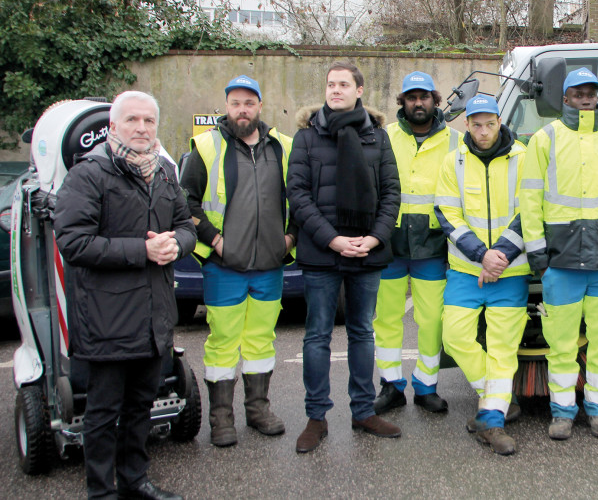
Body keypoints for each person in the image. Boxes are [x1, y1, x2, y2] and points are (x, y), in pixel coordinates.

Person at [55, 91, 196, 500]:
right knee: (102, 414)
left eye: (149, 121)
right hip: (107, 317)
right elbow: (74, 243)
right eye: (132, 120)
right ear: (112, 126)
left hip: (154, 317)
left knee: (141, 407)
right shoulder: (90, 174)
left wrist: (178, 245)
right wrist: (143, 251)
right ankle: (102, 491)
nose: (141, 128)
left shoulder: (165, 173)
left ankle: (135, 480)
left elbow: (186, 223)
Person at [287, 62, 402, 452]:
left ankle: (362, 411)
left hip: (367, 253)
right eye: (330, 84)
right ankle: (316, 417)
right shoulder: (306, 138)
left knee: (362, 333)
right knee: (317, 336)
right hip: (323, 253)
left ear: (359, 90)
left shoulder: (378, 138)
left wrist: (373, 239)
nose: (335, 90)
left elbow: (391, 193)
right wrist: (334, 240)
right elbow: (298, 196)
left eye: (343, 84)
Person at [521, 67, 598, 440]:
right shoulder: (545, 139)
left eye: (592, 91)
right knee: (561, 345)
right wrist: (538, 254)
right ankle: (562, 412)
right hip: (561, 262)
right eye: (578, 92)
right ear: (566, 98)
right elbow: (529, 199)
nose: (586, 97)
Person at [180, 74, 296, 447]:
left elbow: (302, 196)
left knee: (261, 341)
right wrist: (215, 241)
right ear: (226, 106)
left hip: (270, 265)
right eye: (235, 103)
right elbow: (186, 203)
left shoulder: (283, 146)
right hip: (224, 266)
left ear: (260, 105)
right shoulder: (206, 146)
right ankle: (221, 418)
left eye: (249, 102)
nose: (242, 109)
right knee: (223, 343)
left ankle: (258, 410)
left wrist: (290, 238)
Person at [435, 94, 529, 455]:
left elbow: (529, 211)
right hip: (465, 269)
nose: (484, 130)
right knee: (454, 337)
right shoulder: (452, 162)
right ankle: (500, 397)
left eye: (490, 123)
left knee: (504, 349)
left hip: (510, 271)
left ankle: (492, 421)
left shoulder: (523, 159)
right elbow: (447, 213)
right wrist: (481, 256)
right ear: (466, 124)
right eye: (476, 124)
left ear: (500, 122)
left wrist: (499, 257)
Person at [373, 71, 459, 415]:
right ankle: (391, 386)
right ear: (402, 102)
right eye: (411, 97)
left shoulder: (455, 140)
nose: (418, 102)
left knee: (432, 320)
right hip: (390, 244)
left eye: (424, 96)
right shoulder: (384, 137)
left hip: (432, 244)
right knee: (387, 319)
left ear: (434, 101)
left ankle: (426, 386)